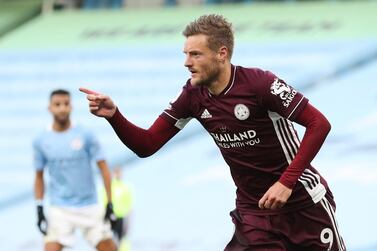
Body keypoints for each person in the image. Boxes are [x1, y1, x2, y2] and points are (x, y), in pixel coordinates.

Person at [80, 14, 346, 250]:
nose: (186, 62)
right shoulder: (192, 95)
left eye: (195, 54)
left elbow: (319, 124)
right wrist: (114, 116)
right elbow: (147, 144)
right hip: (255, 214)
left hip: (304, 205)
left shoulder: (261, 84)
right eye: (185, 54)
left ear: (222, 53)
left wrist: (286, 182)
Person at [33, 89, 117, 251]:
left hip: (89, 205)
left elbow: (104, 169)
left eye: (66, 104)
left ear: (71, 106)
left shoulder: (86, 135)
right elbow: (38, 176)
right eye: (57, 104)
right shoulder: (41, 140)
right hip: (60, 208)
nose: (62, 108)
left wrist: (110, 203)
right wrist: (39, 207)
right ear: (50, 108)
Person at [100, 166, 133, 251]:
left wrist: (128, 219)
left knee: (122, 238)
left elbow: (129, 205)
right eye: (116, 172)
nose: (118, 174)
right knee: (109, 239)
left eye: (120, 172)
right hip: (111, 217)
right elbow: (104, 201)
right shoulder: (109, 186)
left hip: (122, 217)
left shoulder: (125, 187)